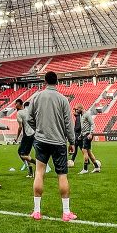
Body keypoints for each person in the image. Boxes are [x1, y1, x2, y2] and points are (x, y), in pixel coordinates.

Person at [28, 71, 77, 221]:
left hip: (41, 141)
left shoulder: (36, 97)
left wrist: (39, 128)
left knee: (39, 173)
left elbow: (29, 119)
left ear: (45, 81)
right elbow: (69, 124)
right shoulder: (63, 99)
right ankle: (66, 212)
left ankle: (37, 211)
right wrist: (72, 141)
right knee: (62, 175)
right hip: (58, 142)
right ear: (57, 82)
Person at [75, 105, 101, 174]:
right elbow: (84, 127)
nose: (76, 111)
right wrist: (80, 135)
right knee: (89, 152)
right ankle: (96, 167)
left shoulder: (87, 114)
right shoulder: (82, 116)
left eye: (77, 109)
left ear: (81, 108)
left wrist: (91, 133)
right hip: (84, 135)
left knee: (84, 150)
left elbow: (92, 124)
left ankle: (85, 169)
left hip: (87, 135)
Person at [13, 99, 35, 178]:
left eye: (16, 104)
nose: (15, 105)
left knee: (21, 153)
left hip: (27, 135)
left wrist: (17, 138)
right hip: (33, 134)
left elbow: (20, 127)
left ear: (19, 104)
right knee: (26, 154)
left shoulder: (19, 113)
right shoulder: (27, 111)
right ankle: (31, 172)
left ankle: (36, 162)